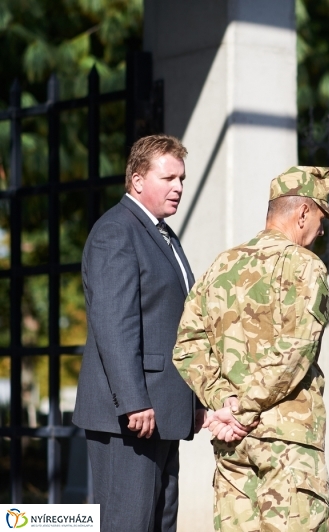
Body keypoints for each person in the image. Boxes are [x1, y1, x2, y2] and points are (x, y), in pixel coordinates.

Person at [173, 166, 329, 532]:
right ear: (303, 213)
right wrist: (243, 410)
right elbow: (296, 350)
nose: (321, 230)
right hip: (286, 443)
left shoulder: (221, 265)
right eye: (322, 218)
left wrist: (224, 405)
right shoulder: (306, 267)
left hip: (233, 445)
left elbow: (187, 346)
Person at [73, 134, 203, 532]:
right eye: (169, 178)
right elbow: (115, 324)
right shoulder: (116, 231)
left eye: (182, 178)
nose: (179, 187)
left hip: (163, 412)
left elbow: (170, 324)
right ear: (137, 180)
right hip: (130, 418)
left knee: (159, 523)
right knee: (127, 523)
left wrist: (193, 400)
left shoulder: (161, 233)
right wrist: (133, 401)